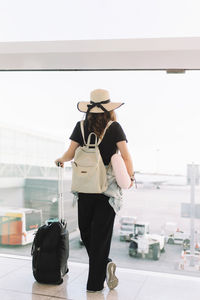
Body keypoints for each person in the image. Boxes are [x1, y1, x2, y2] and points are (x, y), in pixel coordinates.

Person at [55, 89, 134, 293]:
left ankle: (94, 285)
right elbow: (126, 156)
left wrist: (61, 160)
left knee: (87, 232)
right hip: (107, 192)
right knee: (100, 236)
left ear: (90, 109)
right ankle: (105, 264)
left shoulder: (80, 127)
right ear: (108, 109)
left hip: (84, 187)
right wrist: (131, 177)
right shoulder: (115, 127)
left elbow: (70, 153)